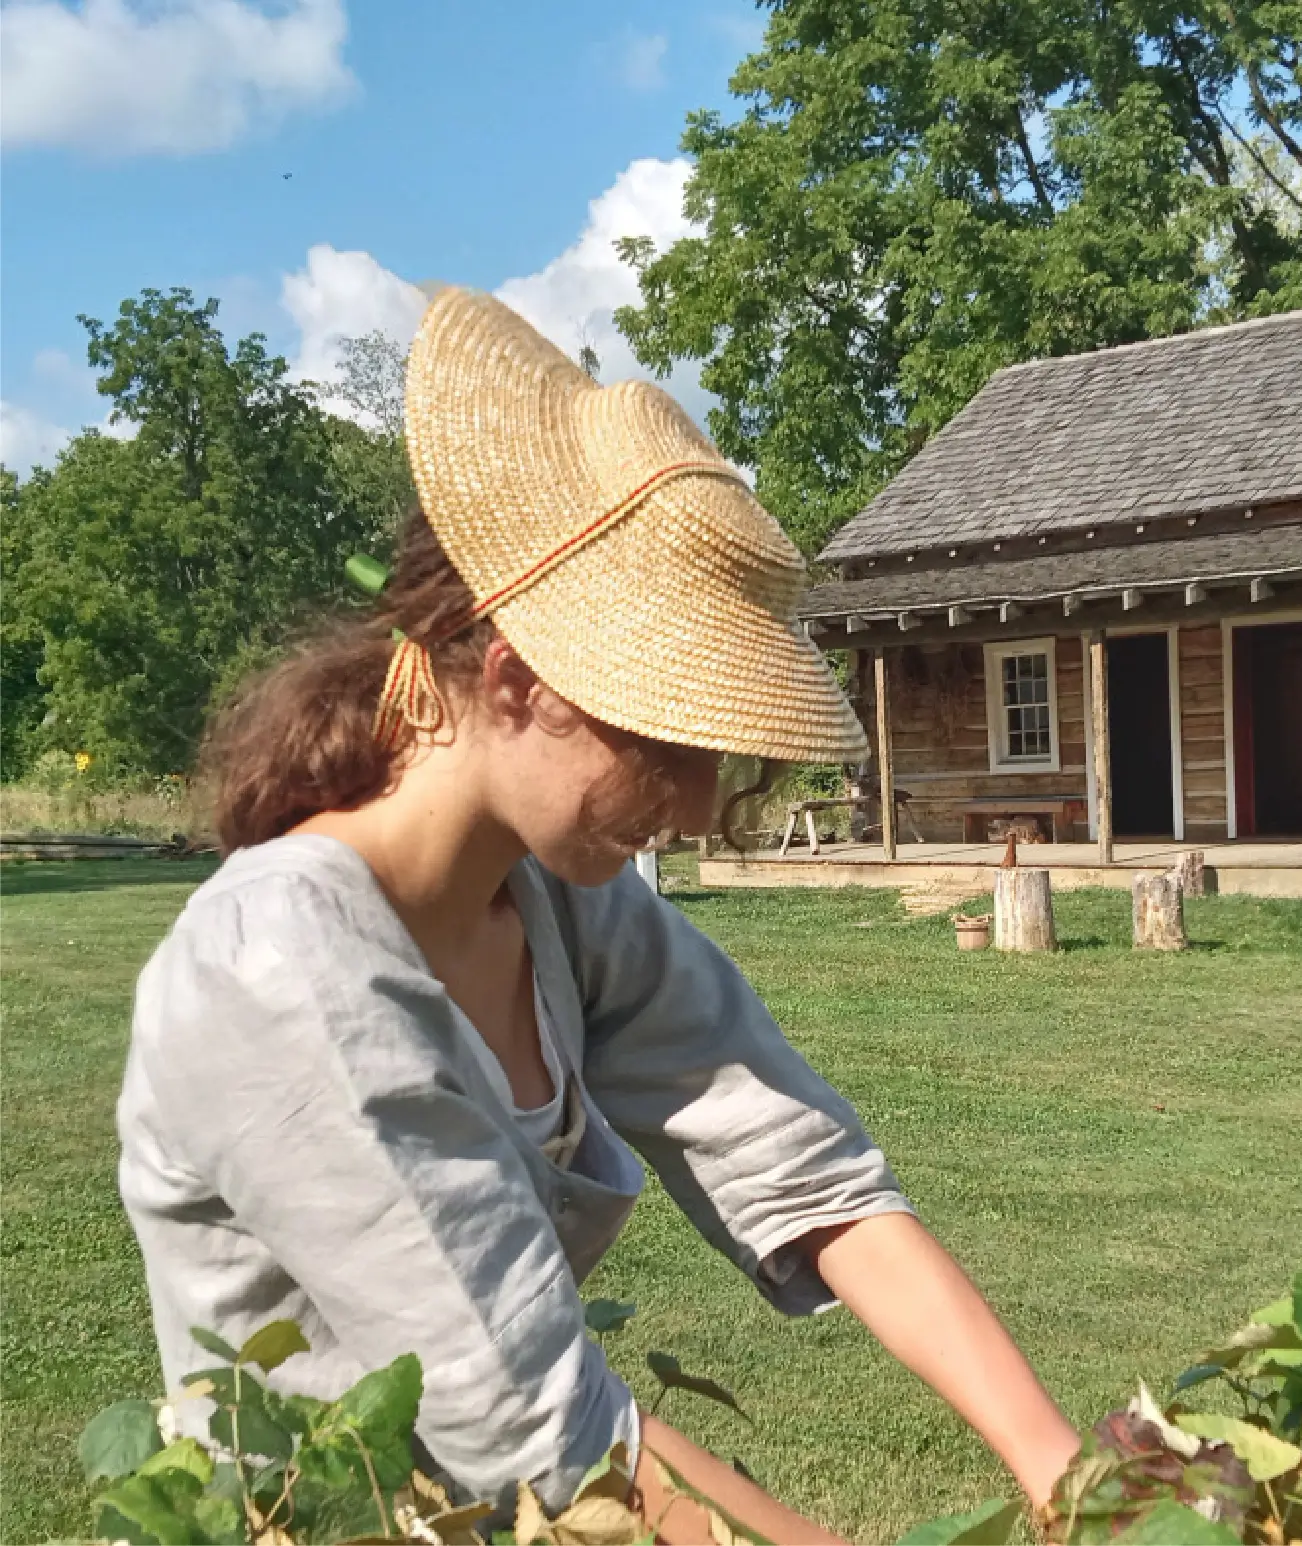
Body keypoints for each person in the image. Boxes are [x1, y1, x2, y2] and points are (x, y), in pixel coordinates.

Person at [116, 289, 1081, 1542]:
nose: (689, 802)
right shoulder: (281, 975)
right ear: (517, 683)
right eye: (664, 741)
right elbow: (539, 1435)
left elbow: (807, 1171)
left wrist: (1082, 1481)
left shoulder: (560, 908)